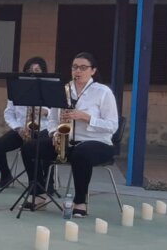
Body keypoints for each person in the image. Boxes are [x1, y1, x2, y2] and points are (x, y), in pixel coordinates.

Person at [19, 52, 118, 216]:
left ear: (93, 71)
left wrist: (86, 117)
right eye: (75, 67)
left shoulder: (103, 92)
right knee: (29, 148)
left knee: (81, 153)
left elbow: (112, 126)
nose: (78, 71)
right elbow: (52, 119)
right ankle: (39, 194)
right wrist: (54, 133)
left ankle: (80, 202)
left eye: (83, 68)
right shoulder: (63, 90)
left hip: (97, 142)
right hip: (66, 142)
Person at [0, 56, 51, 189]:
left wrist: (46, 112)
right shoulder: (17, 89)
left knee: (38, 149)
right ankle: (6, 175)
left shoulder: (50, 88)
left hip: (44, 129)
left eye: (37, 70)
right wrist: (18, 128)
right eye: (29, 70)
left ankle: (44, 183)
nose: (33, 73)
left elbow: (59, 112)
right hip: (23, 129)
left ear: (43, 72)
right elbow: (8, 113)